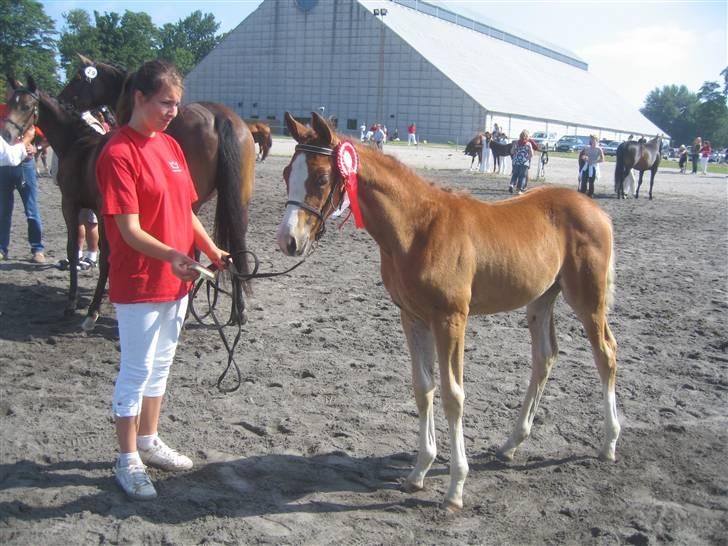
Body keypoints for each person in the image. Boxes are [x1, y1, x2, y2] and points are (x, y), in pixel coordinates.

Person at [95, 60, 228, 501]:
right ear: (139, 98)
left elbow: (186, 210)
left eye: (177, 103)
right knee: (135, 370)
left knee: (161, 366)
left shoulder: (170, 147)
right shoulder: (118, 152)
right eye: (164, 102)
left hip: (178, 279)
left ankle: (149, 439)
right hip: (140, 281)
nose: (172, 111)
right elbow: (129, 229)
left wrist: (209, 249)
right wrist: (173, 255)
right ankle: (126, 458)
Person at [0, 83, 45, 263]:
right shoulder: (2, 110)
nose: (9, 94)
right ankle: (2, 248)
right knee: (3, 210)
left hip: (24, 165)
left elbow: (44, 134)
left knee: (31, 209)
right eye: (9, 91)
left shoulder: (25, 110)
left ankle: (37, 248)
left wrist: (37, 147)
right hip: (4, 165)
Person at [509, 129, 532, 195]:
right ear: (527, 136)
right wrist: (528, 158)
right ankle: (519, 190)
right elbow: (531, 154)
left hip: (516, 162)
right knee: (522, 176)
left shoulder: (516, 143)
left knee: (515, 174)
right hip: (524, 162)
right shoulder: (528, 144)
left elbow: (512, 152)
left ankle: (511, 185)